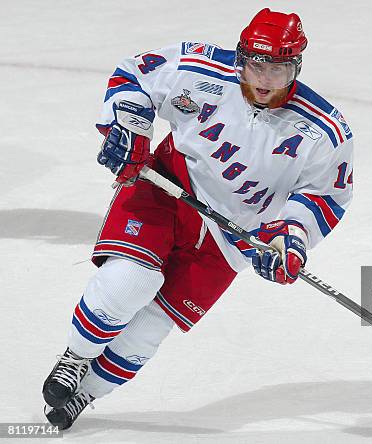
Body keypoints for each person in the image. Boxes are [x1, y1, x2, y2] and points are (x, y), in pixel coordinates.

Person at [42, 8, 354, 430]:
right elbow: (134, 76)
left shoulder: (324, 130)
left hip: (234, 236)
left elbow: (324, 196)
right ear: (240, 57)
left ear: (296, 68)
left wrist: (289, 239)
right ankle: (75, 358)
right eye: (255, 65)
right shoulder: (199, 68)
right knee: (131, 280)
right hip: (167, 188)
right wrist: (130, 130)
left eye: (277, 71)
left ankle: (86, 393)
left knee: (151, 328)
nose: (263, 80)